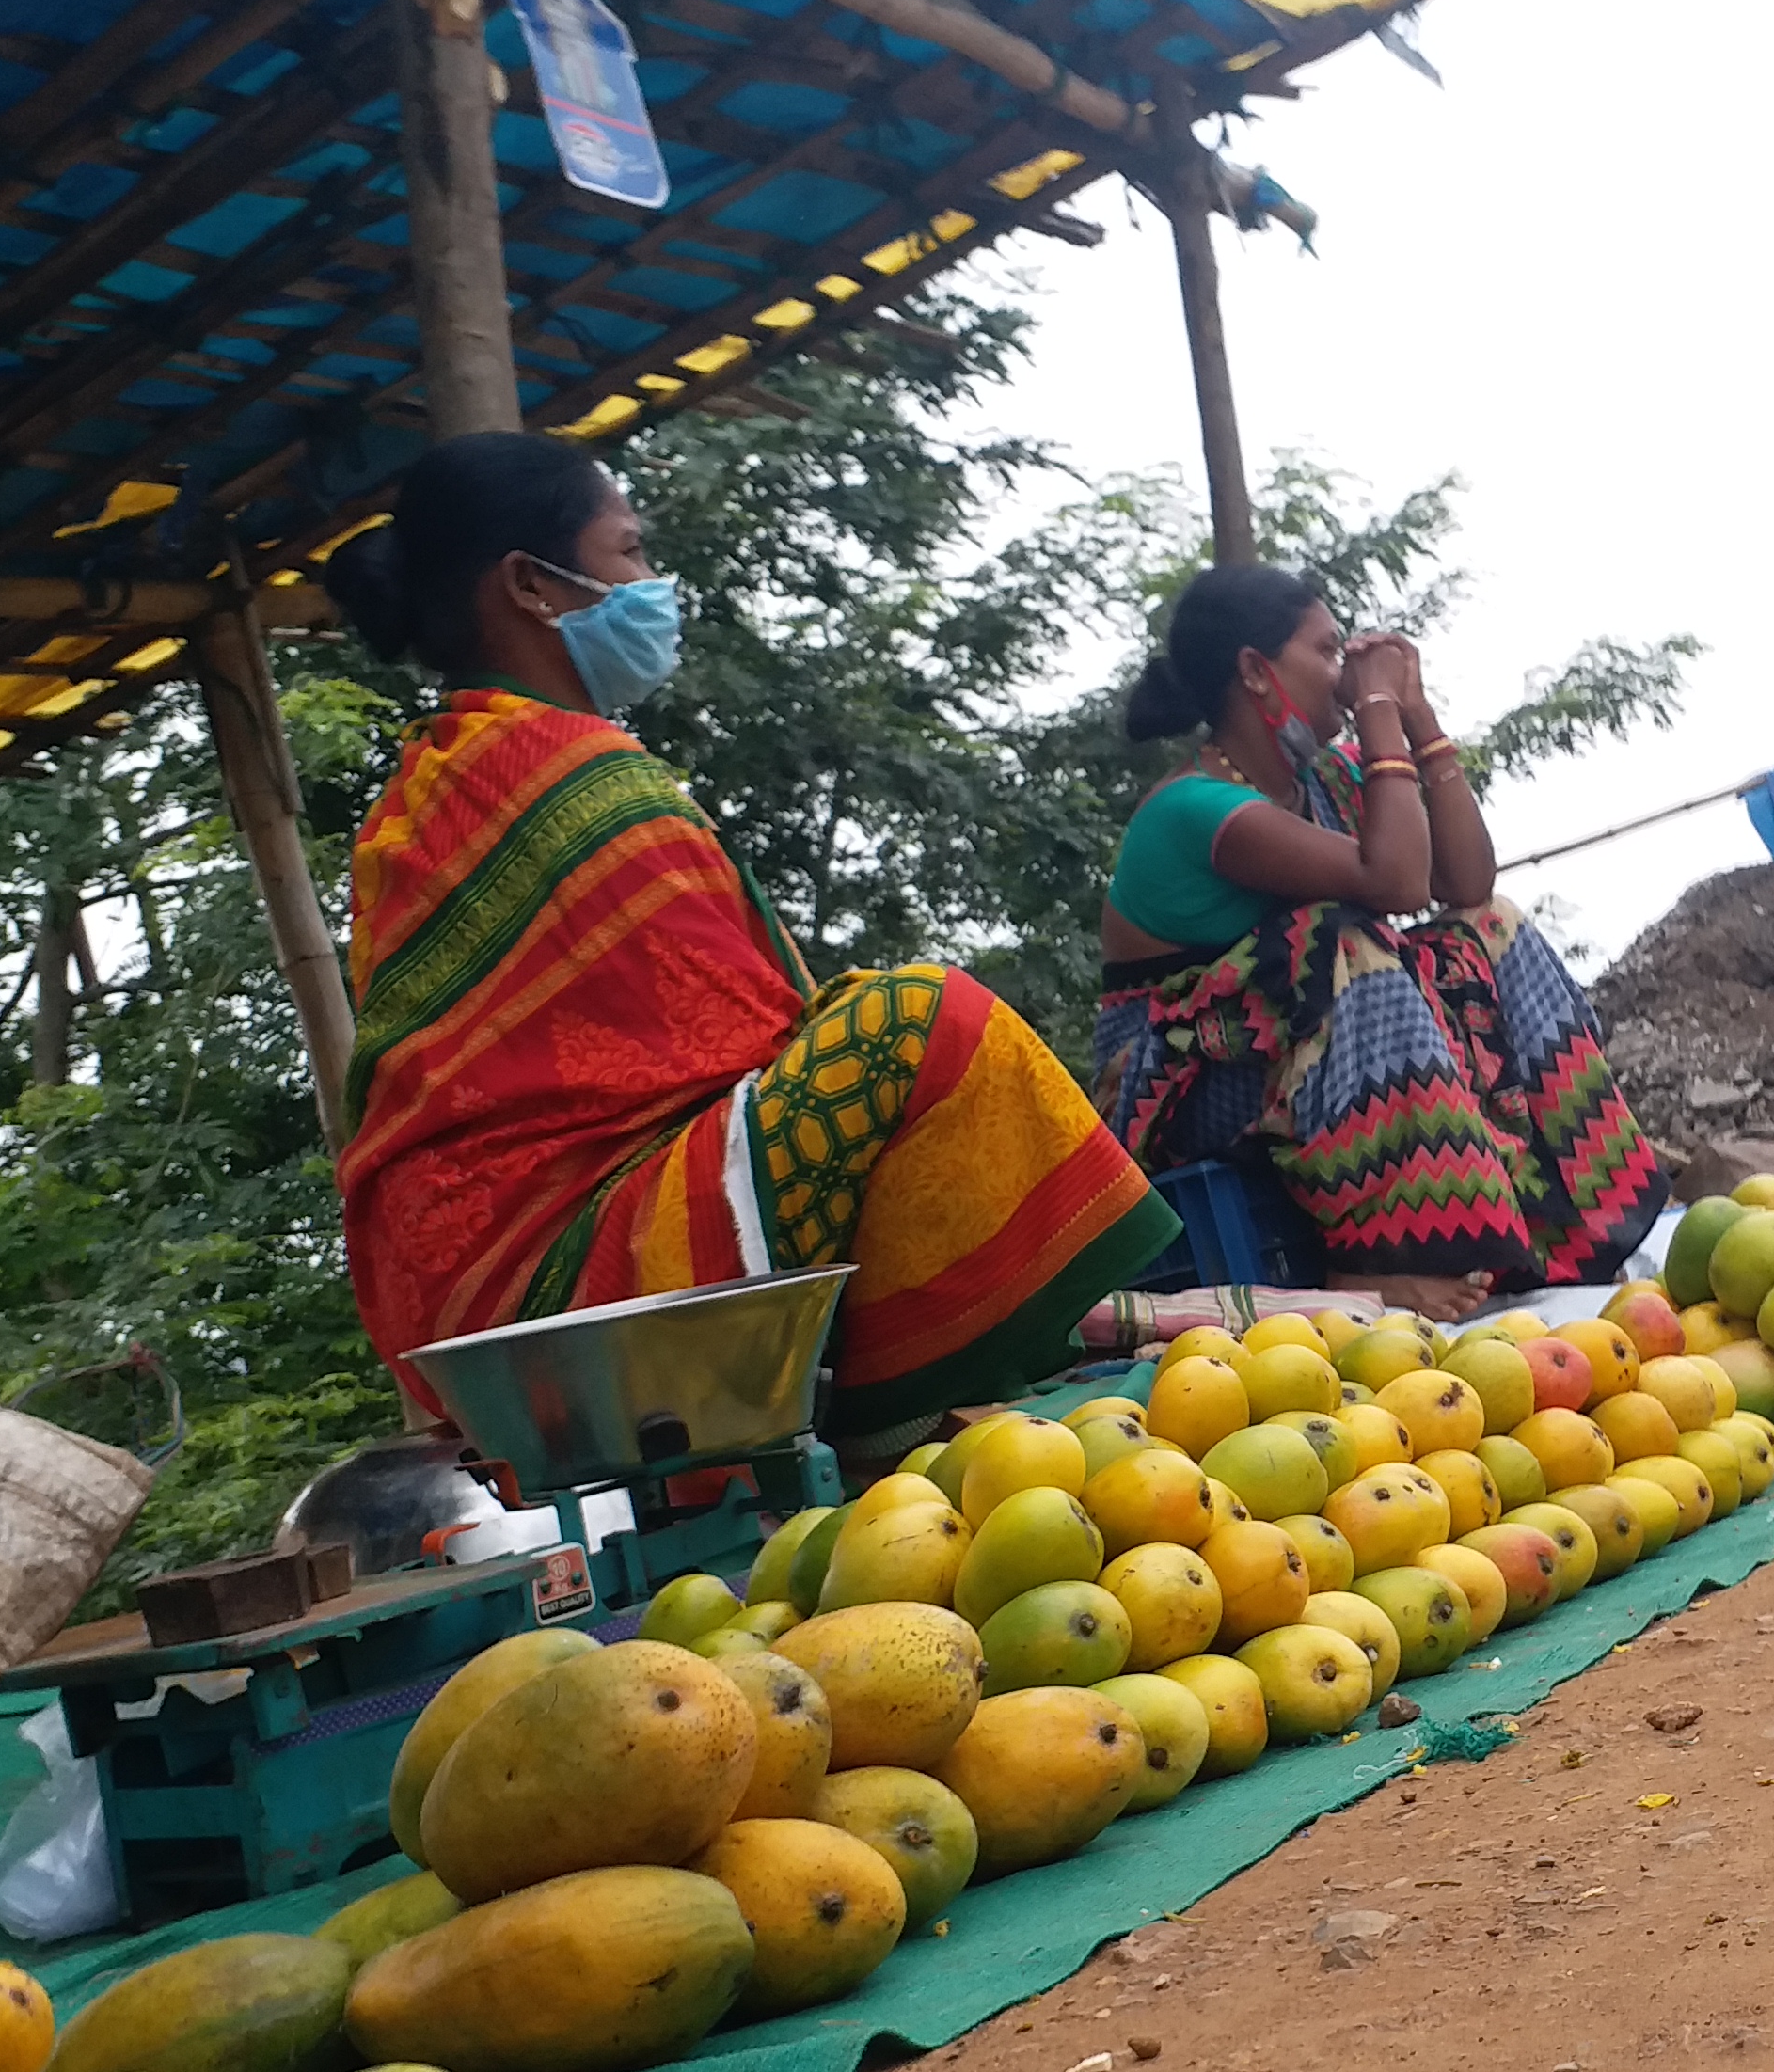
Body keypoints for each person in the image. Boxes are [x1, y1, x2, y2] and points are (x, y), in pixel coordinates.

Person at [319, 432, 1179, 1442]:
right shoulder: (572, 774)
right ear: (531, 586)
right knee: (917, 1021)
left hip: (464, 1309)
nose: (651, 583)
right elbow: (752, 1049)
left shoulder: (427, 788)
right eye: (629, 551)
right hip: (573, 1284)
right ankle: (894, 1403)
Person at [1091, 564, 1665, 1322]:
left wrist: (1418, 717)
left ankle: (1567, 1217)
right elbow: (1392, 884)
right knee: (1343, 946)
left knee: (1490, 926)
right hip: (1180, 1084)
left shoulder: (1329, 777)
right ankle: (1389, 1260)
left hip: (1293, 1053)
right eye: (1327, 653)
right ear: (1257, 673)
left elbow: (1464, 885)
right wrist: (1377, 708)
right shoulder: (1194, 809)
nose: (1342, 676)